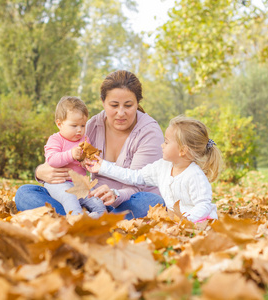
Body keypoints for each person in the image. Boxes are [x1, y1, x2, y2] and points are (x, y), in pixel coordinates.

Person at [15, 70, 165, 219]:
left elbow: (140, 183)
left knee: (151, 201)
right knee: (25, 193)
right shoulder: (92, 125)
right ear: (103, 102)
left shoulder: (149, 132)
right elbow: (66, 156)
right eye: (114, 105)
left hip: (128, 201)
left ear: (137, 103)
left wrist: (115, 194)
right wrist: (40, 173)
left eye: (128, 105)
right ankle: (86, 220)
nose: (120, 113)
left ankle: (79, 220)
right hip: (91, 199)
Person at [85, 116, 223, 223]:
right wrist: (103, 167)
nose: (162, 145)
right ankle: (101, 219)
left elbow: (203, 205)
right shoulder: (162, 167)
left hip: (200, 222)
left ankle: (106, 220)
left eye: (167, 142)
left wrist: (184, 221)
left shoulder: (195, 175)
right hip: (176, 223)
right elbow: (134, 176)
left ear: (182, 150)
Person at [43, 96, 106, 217]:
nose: (79, 130)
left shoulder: (85, 140)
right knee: (69, 197)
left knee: (96, 200)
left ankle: (99, 217)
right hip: (59, 183)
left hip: (80, 183)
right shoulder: (55, 139)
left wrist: (86, 161)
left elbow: (85, 164)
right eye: (74, 126)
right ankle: (77, 218)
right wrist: (70, 154)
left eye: (82, 126)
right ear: (59, 124)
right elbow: (51, 160)